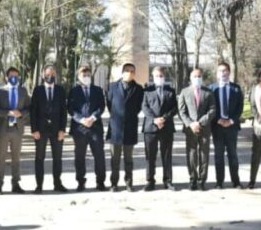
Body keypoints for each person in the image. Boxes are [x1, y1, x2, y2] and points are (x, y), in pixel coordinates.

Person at [67, 65, 107, 192]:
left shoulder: (98, 90)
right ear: (78, 77)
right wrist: (82, 120)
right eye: (84, 75)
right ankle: (80, 182)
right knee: (79, 156)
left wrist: (93, 118)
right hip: (79, 129)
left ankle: (100, 182)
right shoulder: (74, 91)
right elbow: (71, 109)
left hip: (95, 128)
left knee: (99, 155)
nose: (86, 77)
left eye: (88, 75)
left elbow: (102, 106)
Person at [0, 67, 31, 194]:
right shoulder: (0, 91)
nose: (14, 78)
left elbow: (28, 108)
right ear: (6, 77)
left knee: (16, 157)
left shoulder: (23, 91)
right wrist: (7, 113)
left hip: (17, 129)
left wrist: (21, 114)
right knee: (1, 157)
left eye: (16, 76)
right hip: (3, 129)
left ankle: (16, 183)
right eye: (11, 76)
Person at [29, 65, 68, 194]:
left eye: (52, 74)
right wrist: (34, 129)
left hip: (57, 130)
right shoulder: (38, 90)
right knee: (39, 158)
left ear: (56, 75)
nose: (50, 76)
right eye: (47, 74)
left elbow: (64, 111)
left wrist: (62, 129)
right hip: (40, 130)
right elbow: (33, 111)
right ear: (43, 75)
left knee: (57, 158)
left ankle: (57, 184)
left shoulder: (60, 90)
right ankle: (39, 185)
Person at [107, 63, 144, 192]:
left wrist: (129, 115)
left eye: (132, 71)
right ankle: (114, 183)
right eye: (127, 70)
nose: (129, 73)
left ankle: (129, 183)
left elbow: (139, 106)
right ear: (122, 72)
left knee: (129, 159)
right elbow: (109, 103)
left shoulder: (138, 89)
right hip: (115, 128)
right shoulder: (113, 86)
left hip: (130, 127)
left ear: (135, 74)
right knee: (114, 159)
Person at [178, 68, 216, 191]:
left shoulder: (209, 92)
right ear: (190, 78)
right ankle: (192, 179)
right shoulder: (184, 92)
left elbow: (212, 110)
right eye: (195, 76)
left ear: (202, 78)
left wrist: (200, 122)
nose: (197, 79)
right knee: (191, 154)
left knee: (204, 155)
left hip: (204, 128)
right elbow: (181, 111)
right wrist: (191, 124)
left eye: (199, 76)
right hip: (190, 129)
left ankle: (202, 180)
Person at [141, 66, 178, 191]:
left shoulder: (171, 91)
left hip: (166, 127)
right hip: (150, 127)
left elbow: (174, 108)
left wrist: (164, 118)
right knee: (150, 156)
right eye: (156, 76)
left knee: (167, 155)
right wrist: (155, 119)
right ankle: (150, 181)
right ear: (153, 76)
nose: (159, 78)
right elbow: (144, 107)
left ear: (164, 76)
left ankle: (168, 181)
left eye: (161, 75)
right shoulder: (147, 90)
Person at [211, 62, 243, 189]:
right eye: (220, 71)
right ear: (217, 73)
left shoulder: (236, 88)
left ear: (229, 72)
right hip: (217, 127)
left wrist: (231, 121)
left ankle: (236, 181)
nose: (223, 73)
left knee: (233, 155)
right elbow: (210, 108)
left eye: (225, 70)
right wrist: (218, 120)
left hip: (232, 127)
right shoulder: (212, 88)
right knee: (218, 156)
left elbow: (240, 108)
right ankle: (219, 182)